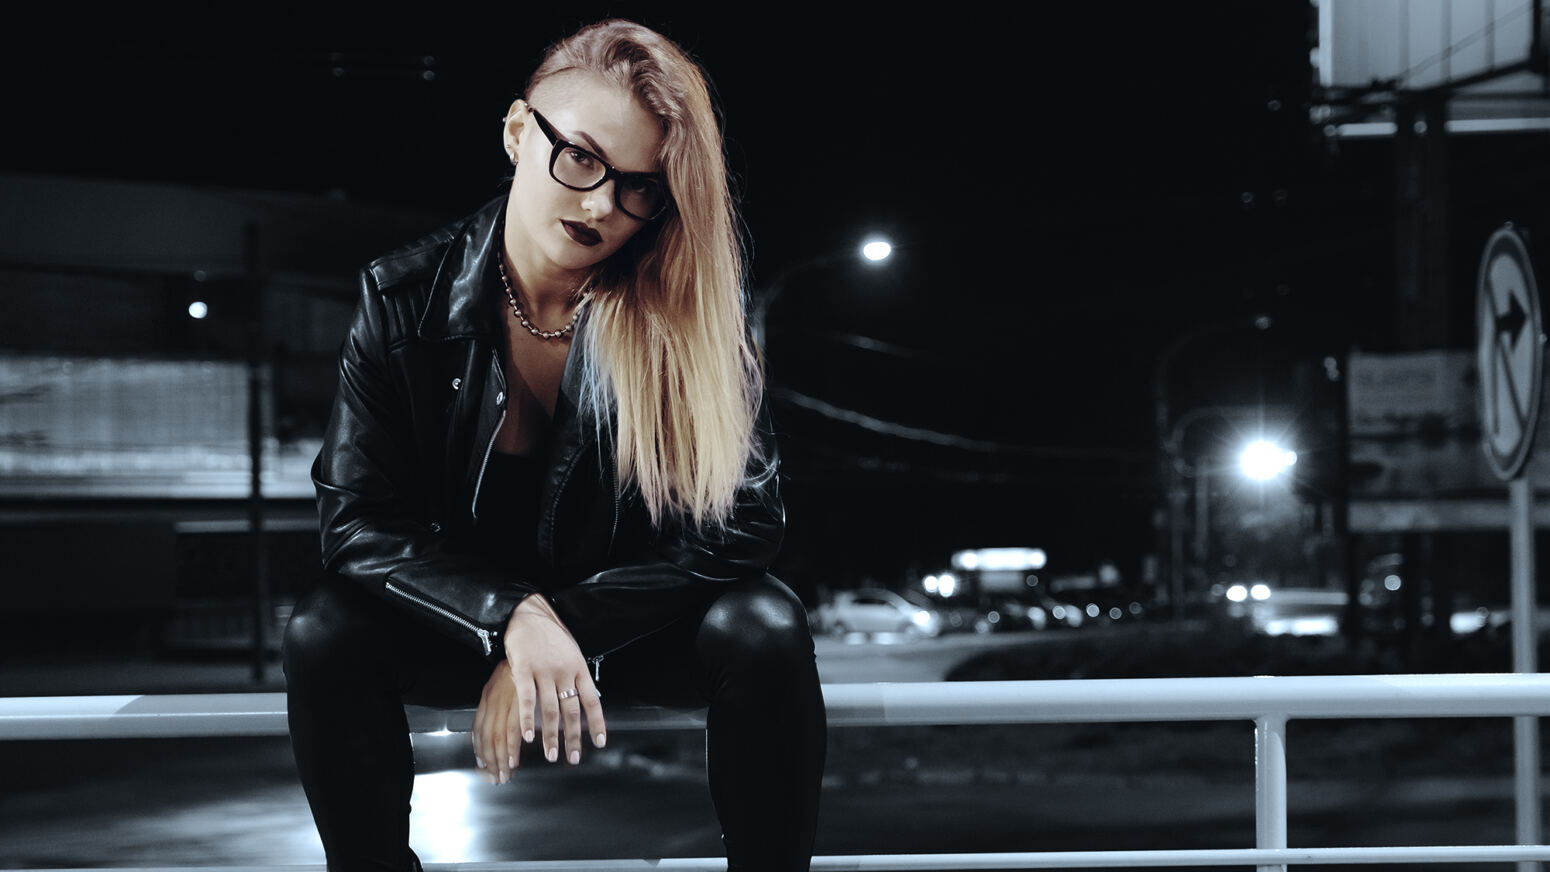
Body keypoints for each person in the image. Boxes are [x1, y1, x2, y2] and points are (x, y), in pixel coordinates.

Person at [281, 19, 827, 872]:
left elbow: (744, 525)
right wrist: (509, 617)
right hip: (462, 630)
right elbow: (356, 523)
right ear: (516, 133)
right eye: (580, 158)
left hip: (628, 632)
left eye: (641, 187)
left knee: (765, 623)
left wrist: (564, 620)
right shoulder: (405, 300)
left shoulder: (686, 317)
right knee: (323, 629)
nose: (603, 205)